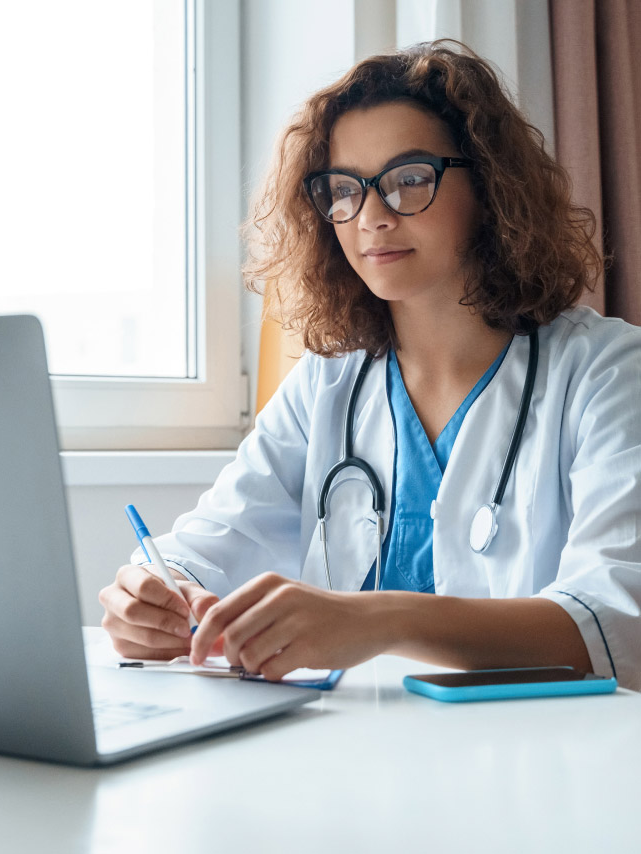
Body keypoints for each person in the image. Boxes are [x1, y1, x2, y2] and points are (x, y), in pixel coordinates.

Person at [99, 41, 641, 690]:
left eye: (410, 178)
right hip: (355, 761)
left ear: (491, 187)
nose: (372, 217)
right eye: (344, 189)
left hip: (538, 762)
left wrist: (380, 620)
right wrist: (152, 596)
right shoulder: (326, 386)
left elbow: (615, 624)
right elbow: (201, 552)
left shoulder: (607, 373)